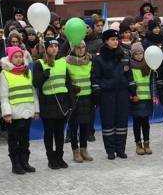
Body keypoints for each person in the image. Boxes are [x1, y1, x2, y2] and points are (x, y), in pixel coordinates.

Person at [91, 29, 133, 160]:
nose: (115, 42)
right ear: (105, 42)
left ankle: (121, 149)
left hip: (122, 93)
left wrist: (133, 90)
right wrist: (97, 95)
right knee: (108, 123)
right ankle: (110, 150)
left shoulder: (124, 55)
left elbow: (129, 75)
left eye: (116, 39)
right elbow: (95, 78)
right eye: (112, 40)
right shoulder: (99, 59)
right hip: (107, 94)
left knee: (122, 122)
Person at [0, 45, 38, 174]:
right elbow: (3, 96)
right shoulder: (4, 74)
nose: (19, 59)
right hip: (14, 113)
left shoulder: (27, 72)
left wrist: (36, 110)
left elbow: (33, 92)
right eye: (16, 57)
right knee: (14, 139)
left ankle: (25, 162)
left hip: (27, 110)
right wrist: (7, 113)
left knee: (25, 140)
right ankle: (16, 164)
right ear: (10, 58)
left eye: (20, 56)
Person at [32, 41, 72, 169]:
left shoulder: (63, 62)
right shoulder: (40, 63)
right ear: (46, 48)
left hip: (62, 101)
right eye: (51, 46)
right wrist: (44, 76)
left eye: (56, 46)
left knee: (60, 133)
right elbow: (36, 84)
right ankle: (51, 158)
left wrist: (70, 102)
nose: (54, 49)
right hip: (47, 102)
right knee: (49, 133)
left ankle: (60, 156)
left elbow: (68, 82)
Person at [65, 41, 96, 162]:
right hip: (74, 98)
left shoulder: (90, 61)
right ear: (73, 48)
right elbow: (66, 81)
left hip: (87, 96)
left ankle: (84, 149)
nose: (81, 49)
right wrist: (72, 89)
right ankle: (75, 151)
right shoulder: (67, 62)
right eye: (78, 47)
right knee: (74, 125)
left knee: (85, 124)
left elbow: (92, 78)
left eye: (83, 47)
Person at [128, 43, 154, 155]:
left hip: (147, 98)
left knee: (146, 122)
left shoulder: (149, 65)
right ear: (132, 55)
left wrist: (154, 95)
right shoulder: (130, 66)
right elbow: (130, 82)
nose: (139, 56)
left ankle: (147, 143)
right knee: (137, 123)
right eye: (136, 54)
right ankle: (138, 144)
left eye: (141, 53)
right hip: (136, 99)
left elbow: (152, 82)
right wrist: (132, 95)